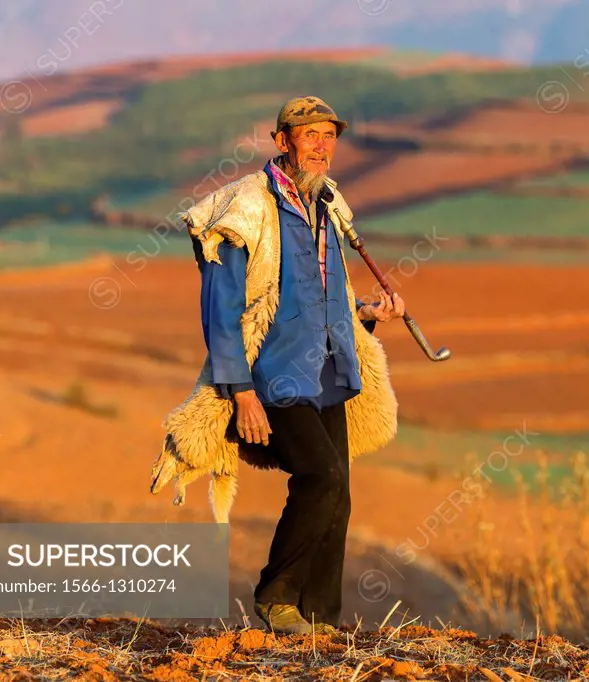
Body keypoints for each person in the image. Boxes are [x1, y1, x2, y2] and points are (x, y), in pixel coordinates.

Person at [157, 95, 403, 636]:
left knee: (339, 494)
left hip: (328, 370)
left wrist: (364, 312)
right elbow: (221, 314)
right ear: (281, 140)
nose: (321, 146)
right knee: (321, 475)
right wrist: (242, 393)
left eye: (329, 135)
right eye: (309, 134)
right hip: (275, 376)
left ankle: (320, 621)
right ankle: (275, 595)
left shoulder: (326, 204)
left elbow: (321, 295)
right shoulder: (246, 207)